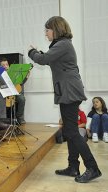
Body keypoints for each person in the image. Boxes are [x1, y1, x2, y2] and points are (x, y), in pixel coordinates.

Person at [28, 16, 101, 183]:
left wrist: (31, 52)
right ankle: (73, 167)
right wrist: (40, 53)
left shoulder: (63, 44)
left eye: (47, 30)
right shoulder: (61, 45)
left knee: (72, 132)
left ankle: (92, 167)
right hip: (67, 92)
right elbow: (48, 57)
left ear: (55, 29)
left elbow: (43, 59)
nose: (45, 34)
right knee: (70, 131)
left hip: (69, 92)